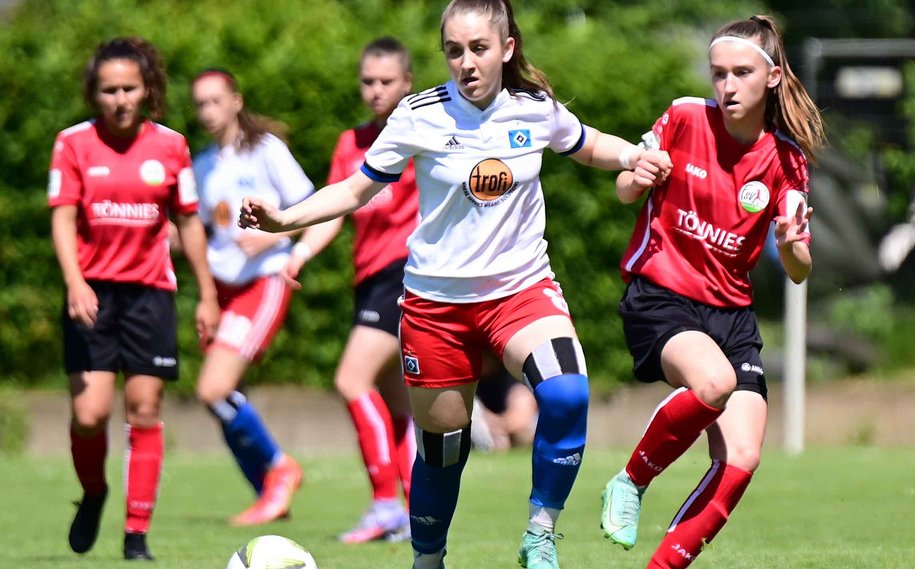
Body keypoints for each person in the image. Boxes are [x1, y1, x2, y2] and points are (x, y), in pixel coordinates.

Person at [240, 1, 669, 566]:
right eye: (454, 51)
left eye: (479, 48)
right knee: (443, 450)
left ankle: (540, 533)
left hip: (521, 291)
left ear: (507, 48)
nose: (466, 62)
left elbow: (586, 143)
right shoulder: (419, 116)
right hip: (436, 305)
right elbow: (352, 190)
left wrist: (636, 156)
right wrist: (282, 221)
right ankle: (429, 559)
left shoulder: (534, 109)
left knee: (566, 394)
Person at [598, 15, 821, 569]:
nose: (726, 86)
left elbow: (798, 269)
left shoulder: (787, 162)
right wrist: (639, 171)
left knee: (742, 458)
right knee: (714, 382)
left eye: (740, 73)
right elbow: (626, 190)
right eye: (718, 73)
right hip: (661, 297)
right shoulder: (683, 117)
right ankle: (630, 480)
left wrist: (791, 240)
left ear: (770, 78)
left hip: (731, 317)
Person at [50, 37, 220, 561]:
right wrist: (75, 281)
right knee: (89, 414)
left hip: (151, 294)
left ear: (147, 89)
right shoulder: (73, 143)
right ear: (94, 94)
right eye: (109, 90)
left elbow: (189, 220)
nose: (120, 99)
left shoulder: (171, 145)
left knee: (144, 409)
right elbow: (61, 215)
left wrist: (207, 294)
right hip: (93, 295)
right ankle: (96, 491)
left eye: (129, 88)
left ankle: (136, 535)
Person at [282, 37, 420, 544]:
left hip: (405, 276)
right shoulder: (350, 143)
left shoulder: (422, 136)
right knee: (397, 402)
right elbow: (334, 209)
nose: (376, 90)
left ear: (407, 83)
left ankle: (385, 504)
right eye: (368, 81)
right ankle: (412, 509)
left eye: (386, 81)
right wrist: (298, 251)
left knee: (350, 380)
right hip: (369, 282)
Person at [190, 68, 319, 526]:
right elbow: (199, 231)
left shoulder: (266, 152)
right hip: (222, 290)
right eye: (200, 103)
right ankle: (268, 493)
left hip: (262, 282)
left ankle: (281, 470)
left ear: (236, 101)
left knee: (214, 389)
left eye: (215, 101)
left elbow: (312, 207)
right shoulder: (203, 165)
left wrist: (271, 237)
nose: (208, 111)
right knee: (225, 400)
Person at [470, 355, 538, 452]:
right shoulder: (466, 378)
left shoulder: (512, 374)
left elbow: (520, 418)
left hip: (504, 429)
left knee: (524, 433)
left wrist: (490, 422)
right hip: (478, 429)